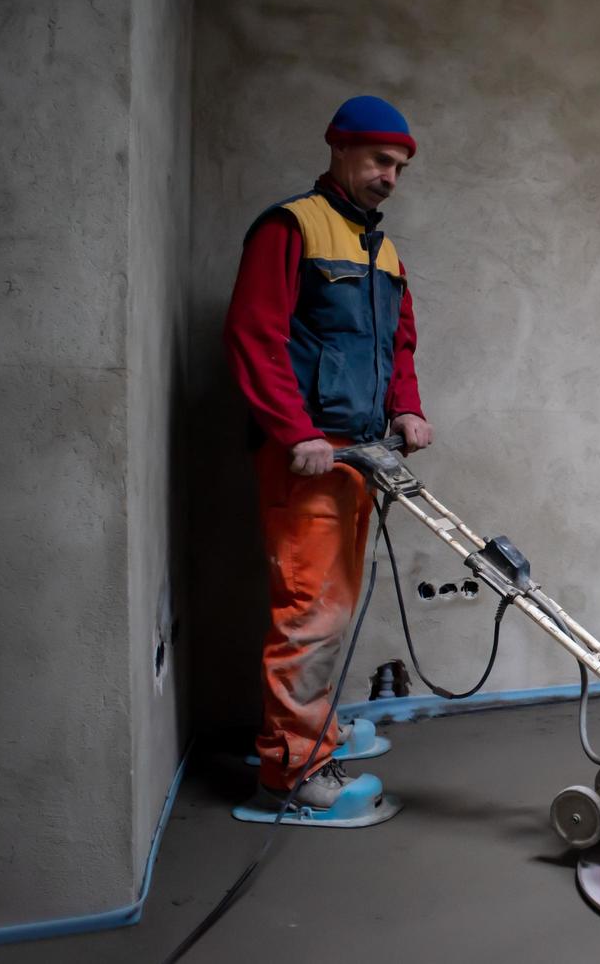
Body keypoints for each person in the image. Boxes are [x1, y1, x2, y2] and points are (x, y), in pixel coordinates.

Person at [223, 95, 433, 818]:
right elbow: (255, 334)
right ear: (340, 149)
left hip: (361, 456)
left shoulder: (384, 251)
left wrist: (407, 409)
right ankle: (292, 775)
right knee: (310, 612)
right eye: (380, 160)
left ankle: (312, 731)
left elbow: (396, 346)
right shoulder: (292, 227)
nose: (390, 178)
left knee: (334, 608)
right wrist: (295, 431)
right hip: (307, 458)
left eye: (400, 167)